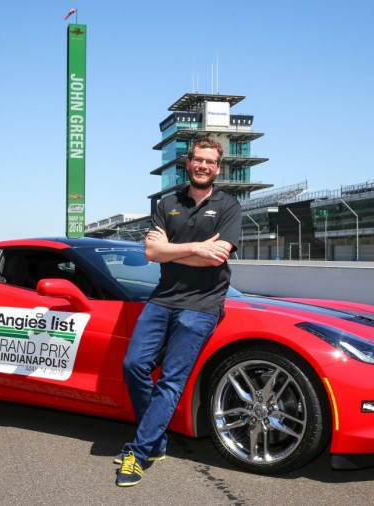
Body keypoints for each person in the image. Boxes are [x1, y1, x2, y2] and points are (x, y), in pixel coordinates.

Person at [115, 137, 241, 487]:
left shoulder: (229, 206)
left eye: (210, 162)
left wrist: (171, 250)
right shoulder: (167, 203)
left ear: (218, 167)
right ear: (188, 163)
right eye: (198, 159)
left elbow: (216, 255)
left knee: (171, 379)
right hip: (163, 298)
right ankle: (155, 440)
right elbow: (151, 254)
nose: (203, 166)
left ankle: (138, 453)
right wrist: (195, 247)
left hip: (202, 304)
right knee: (133, 365)